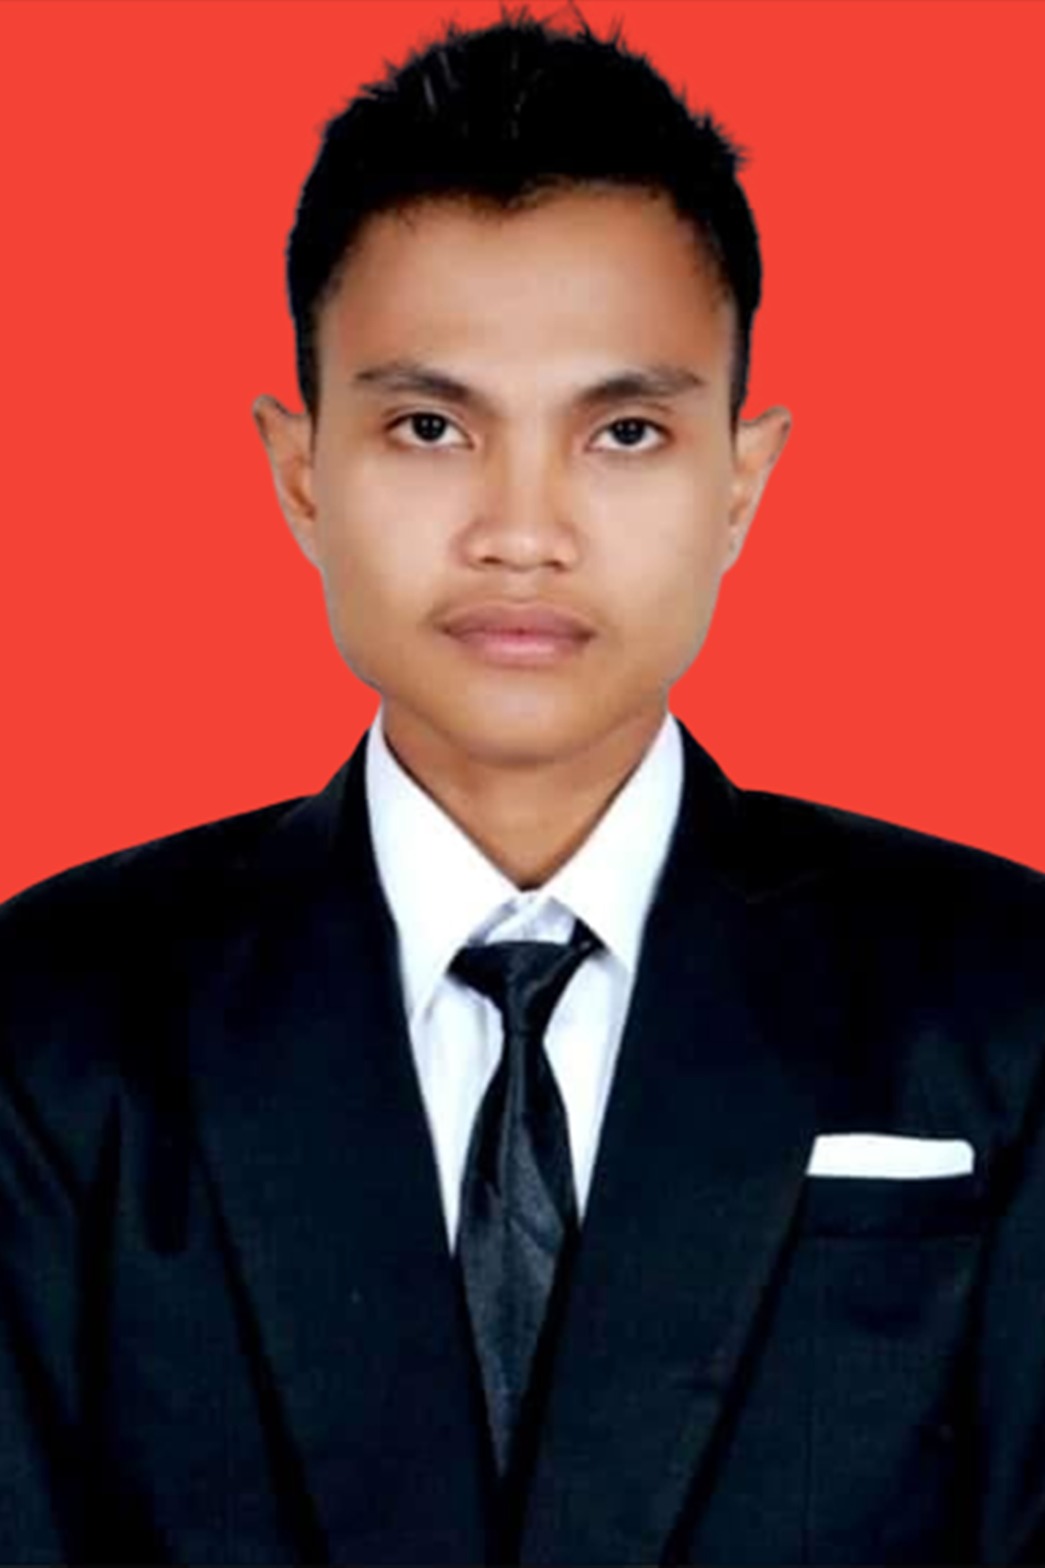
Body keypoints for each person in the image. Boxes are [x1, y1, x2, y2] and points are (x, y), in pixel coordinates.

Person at [1, 6, 1044, 1564]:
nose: (521, 531)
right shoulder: (58, 1022)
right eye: (430, 426)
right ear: (300, 470)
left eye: (622, 431)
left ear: (740, 480)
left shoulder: (1001, 1001)